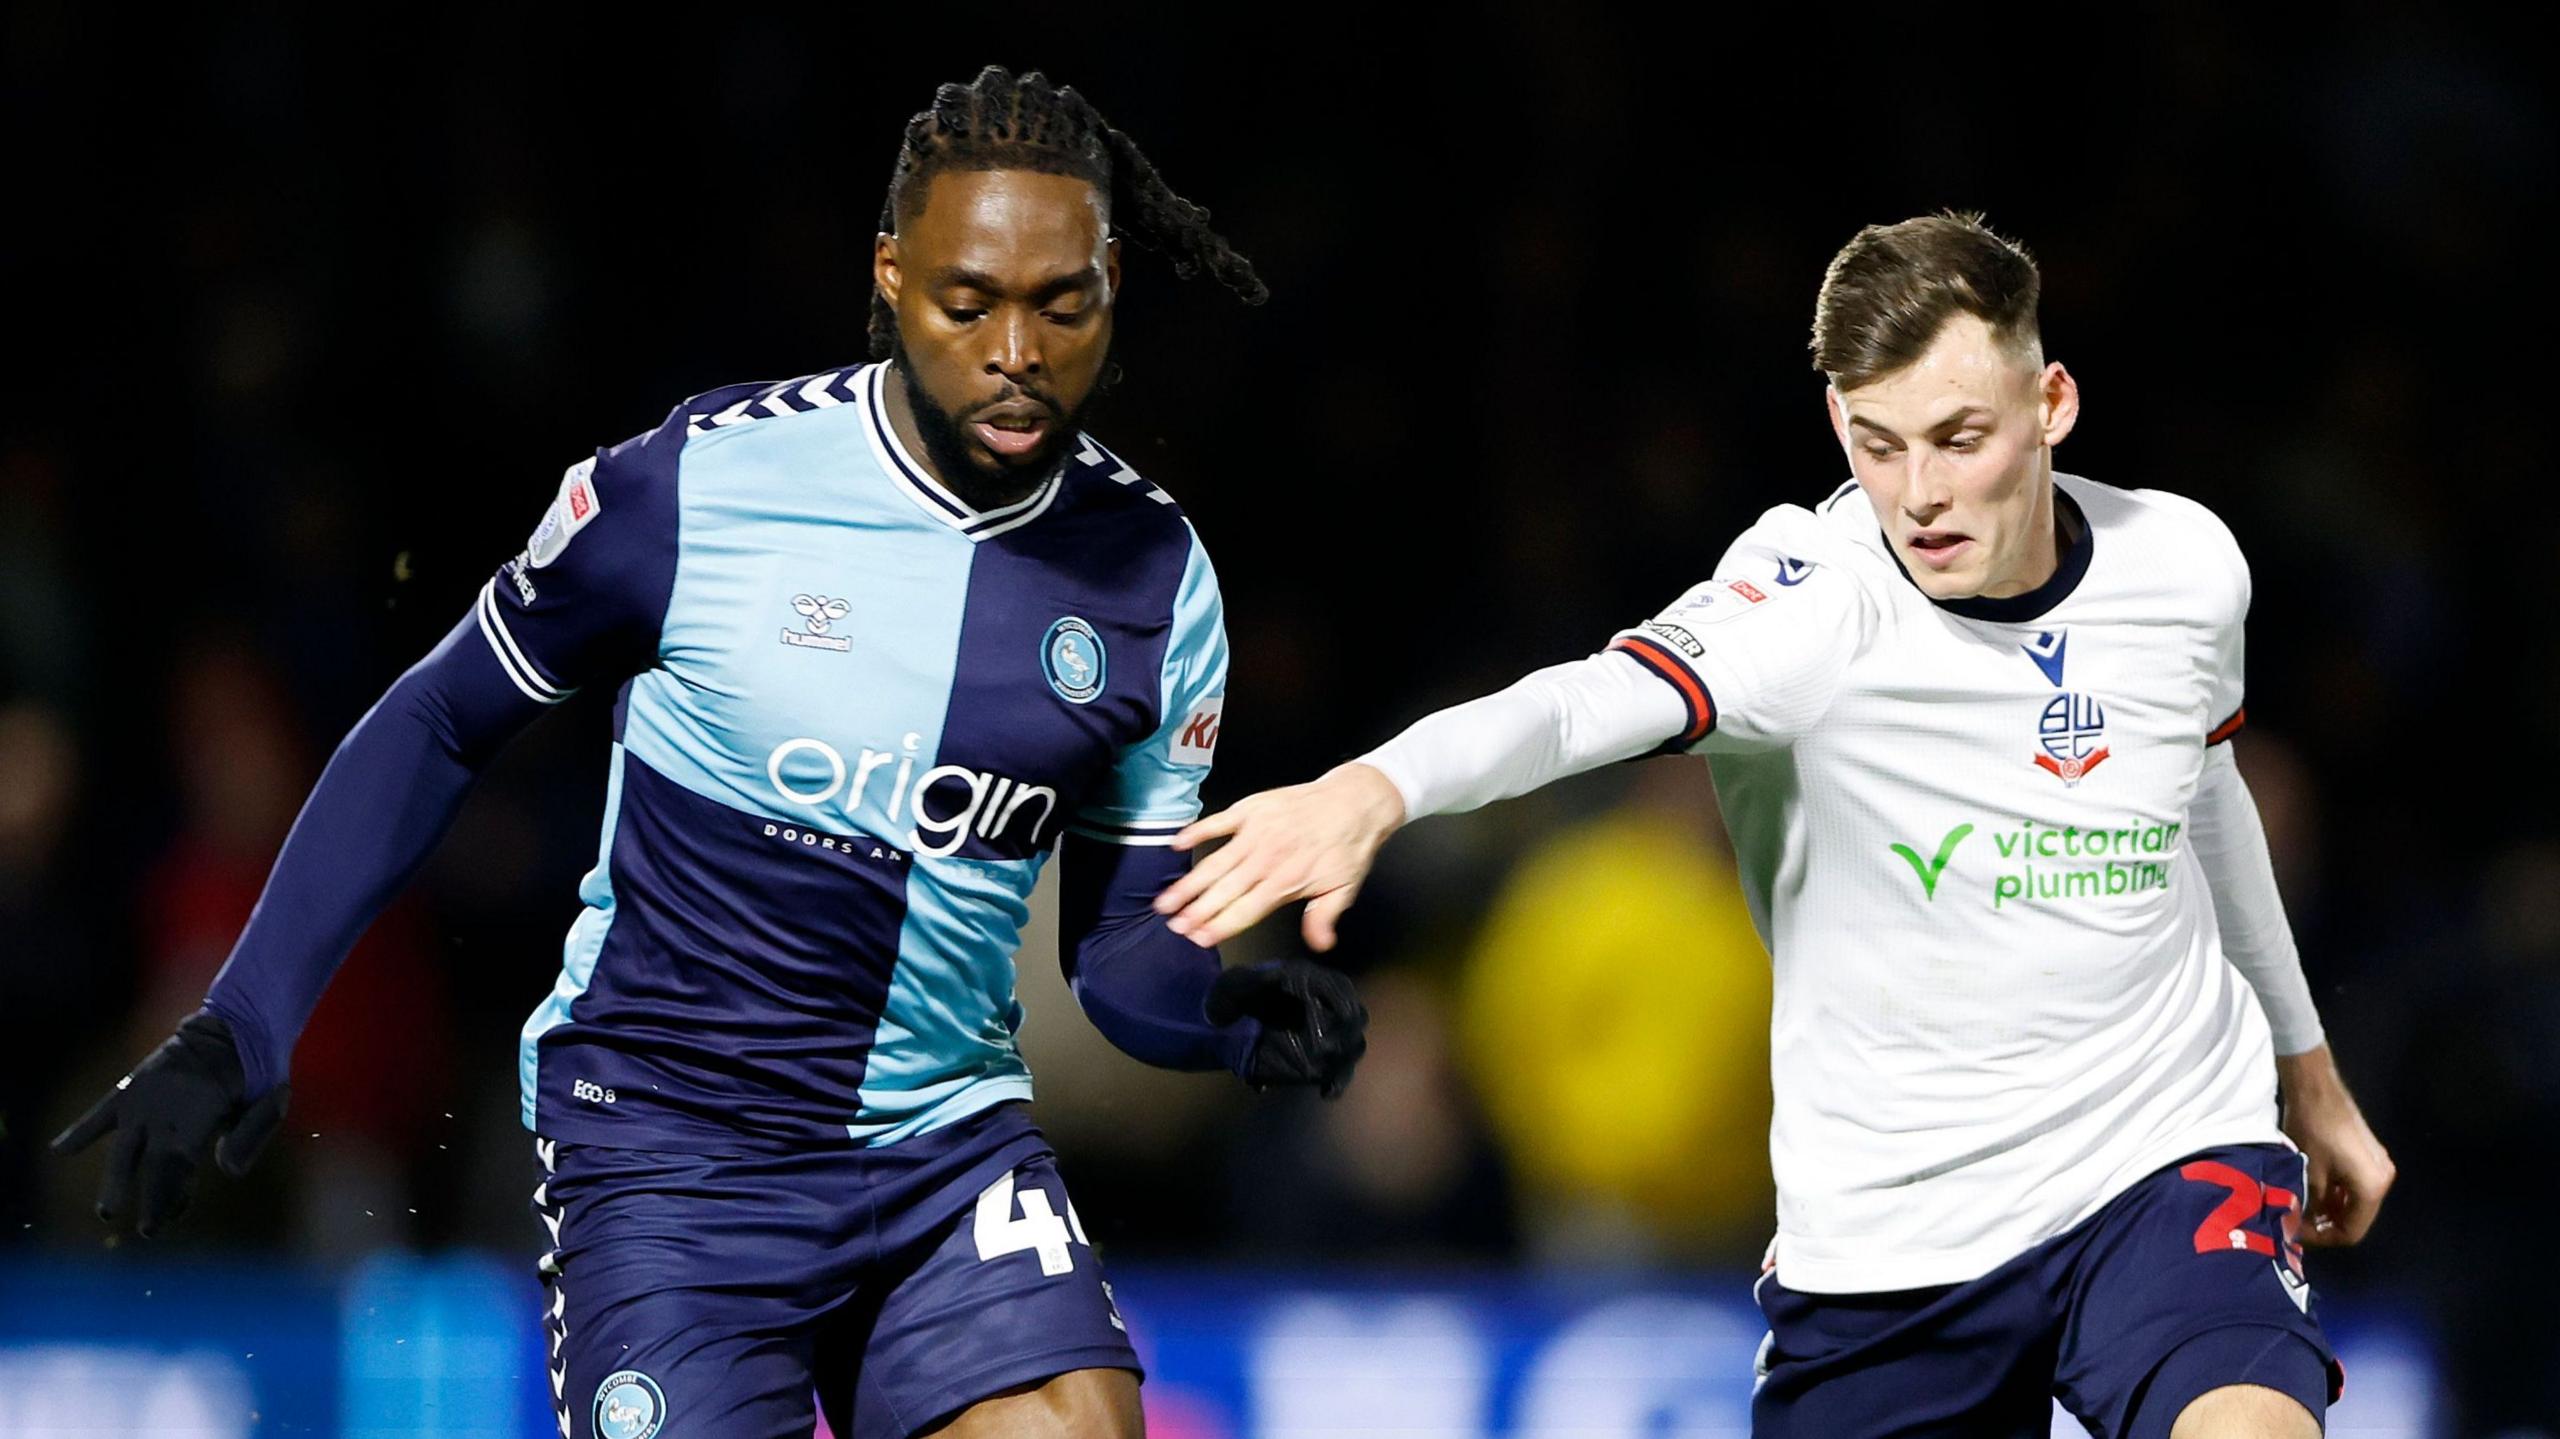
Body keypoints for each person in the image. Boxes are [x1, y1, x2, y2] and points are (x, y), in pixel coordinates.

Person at [54, 65, 1365, 1439]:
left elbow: (1114, 955)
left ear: (1111, 291)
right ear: (891, 275)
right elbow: (443, 717)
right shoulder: (698, 487)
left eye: (1063, 303)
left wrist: (1217, 1013)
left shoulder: (1155, 579)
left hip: (940, 1144)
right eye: (967, 302)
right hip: (670, 1150)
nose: (1016, 351)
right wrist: (244, 1017)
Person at [1153, 213, 2394, 1438]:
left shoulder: (2181, 564)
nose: (1920, 494)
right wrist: (1375, 786)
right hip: (1895, 1241)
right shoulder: (1809, 600)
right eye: (1877, 443)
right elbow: (1586, 699)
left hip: (2165, 1154)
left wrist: (2307, 1071)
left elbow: (2206, 800)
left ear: (2051, 402)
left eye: (1960, 438)